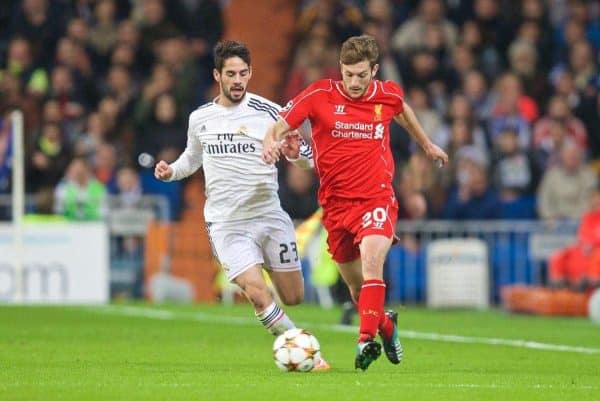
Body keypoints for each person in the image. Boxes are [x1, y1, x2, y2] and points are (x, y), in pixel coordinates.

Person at [262, 35, 448, 370]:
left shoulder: (385, 94)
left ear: (374, 70)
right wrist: (269, 143)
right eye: (349, 74)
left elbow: (402, 111)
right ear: (341, 70)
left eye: (362, 74)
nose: (355, 82)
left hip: (376, 197)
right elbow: (279, 125)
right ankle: (386, 325)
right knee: (356, 289)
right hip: (335, 206)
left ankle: (365, 341)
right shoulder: (320, 94)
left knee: (372, 261)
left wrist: (427, 145)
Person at [154, 40, 329, 370]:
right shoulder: (201, 118)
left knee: (292, 296)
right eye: (231, 74)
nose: (237, 80)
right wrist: (171, 171)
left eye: (243, 73)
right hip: (227, 223)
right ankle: (306, 351)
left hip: (269, 216)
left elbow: (307, 158)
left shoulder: (270, 113)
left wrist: (294, 153)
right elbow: (192, 159)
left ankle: (292, 331)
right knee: (257, 292)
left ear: (250, 74)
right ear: (217, 75)